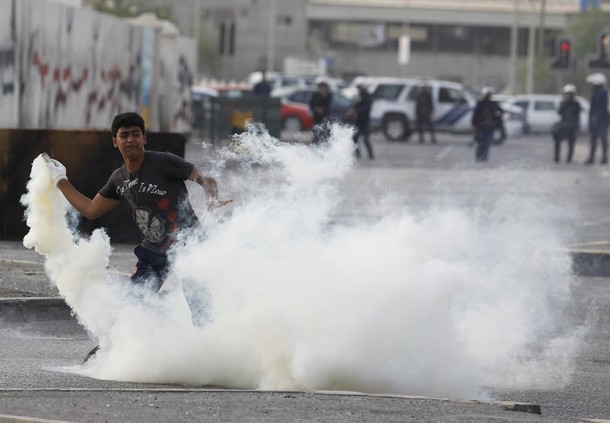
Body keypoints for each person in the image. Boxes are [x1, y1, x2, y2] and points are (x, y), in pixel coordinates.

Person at [44, 112, 233, 358]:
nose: (130, 139)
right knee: (133, 306)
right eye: (124, 135)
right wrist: (60, 179)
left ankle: (218, 355)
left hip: (187, 245)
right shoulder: (119, 178)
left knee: (200, 307)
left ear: (144, 138)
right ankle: (114, 354)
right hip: (153, 252)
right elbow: (91, 210)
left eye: (135, 134)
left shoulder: (163, 162)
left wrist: (212, 199)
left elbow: (204, 179)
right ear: (115, 141)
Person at [471, 86, 502, 162]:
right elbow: (475, 115)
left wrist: (497, 121)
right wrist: (475, 125)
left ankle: (484, 158)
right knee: (481, 142)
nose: (488, 96)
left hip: (490, 126)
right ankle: (479, 157)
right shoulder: (480, 103)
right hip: (481, 126)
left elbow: (499, 112)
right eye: (487, 94)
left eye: (489, 94)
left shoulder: (493, 104)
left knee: (487, 143)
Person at [552, 84, 581, 163]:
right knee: (557, 141)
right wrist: (563, 104)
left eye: (570, 94)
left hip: (572, 126)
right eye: (567, 94)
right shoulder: (563, 103)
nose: (568, 95)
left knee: (571, 144)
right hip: (563, 125)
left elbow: (577, 117)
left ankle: (569, 159)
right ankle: (557, 158)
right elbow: (559, 112)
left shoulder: (576, 104)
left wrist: (577, 128)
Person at [585, 73, 609, 165]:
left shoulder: (604, 93)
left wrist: (597, 116)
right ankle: (591, 157)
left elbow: (603, 107)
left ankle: (604, 158)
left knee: (603, 140)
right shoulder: (595, 93)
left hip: (602, 121)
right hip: (594, 121)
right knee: (593, 140)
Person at [347, 84, 374, 160]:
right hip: (357, 121)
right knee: (355, 138)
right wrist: (352, 110)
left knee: (366, 139)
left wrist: (356, 112)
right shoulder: (359, 96)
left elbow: (366, 109)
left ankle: (371, 155)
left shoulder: (368, 97)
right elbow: (354, 105)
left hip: (364, 121)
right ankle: (357, 154)